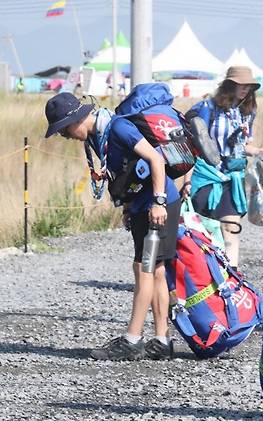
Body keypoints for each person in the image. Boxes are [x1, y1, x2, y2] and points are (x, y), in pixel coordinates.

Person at [44, 92, 185, 361]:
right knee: (154, 269)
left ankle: (133, 340)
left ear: (77, 118)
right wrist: (129, 208)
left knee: (144, 267)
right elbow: (125, 170)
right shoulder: (99, 135)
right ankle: (162, 339)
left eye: (64, 129)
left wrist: (158, 202)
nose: (65, 136)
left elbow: (156, 160)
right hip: (142, 205)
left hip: (159, 202)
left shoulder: (118, 127)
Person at [185, 66, 263, 271]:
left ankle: (232, 276)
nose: (245, 89)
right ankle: (205, 276)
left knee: (231, 228)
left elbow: (243, 145)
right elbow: (193, 144)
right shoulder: (208, 109)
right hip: (206, 177)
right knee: (204, 230)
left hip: (233, 179)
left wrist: (259, 152)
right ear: (229, 85)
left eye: (249, 86)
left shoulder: (248, 112)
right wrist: (186, 180)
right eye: (241, 84)